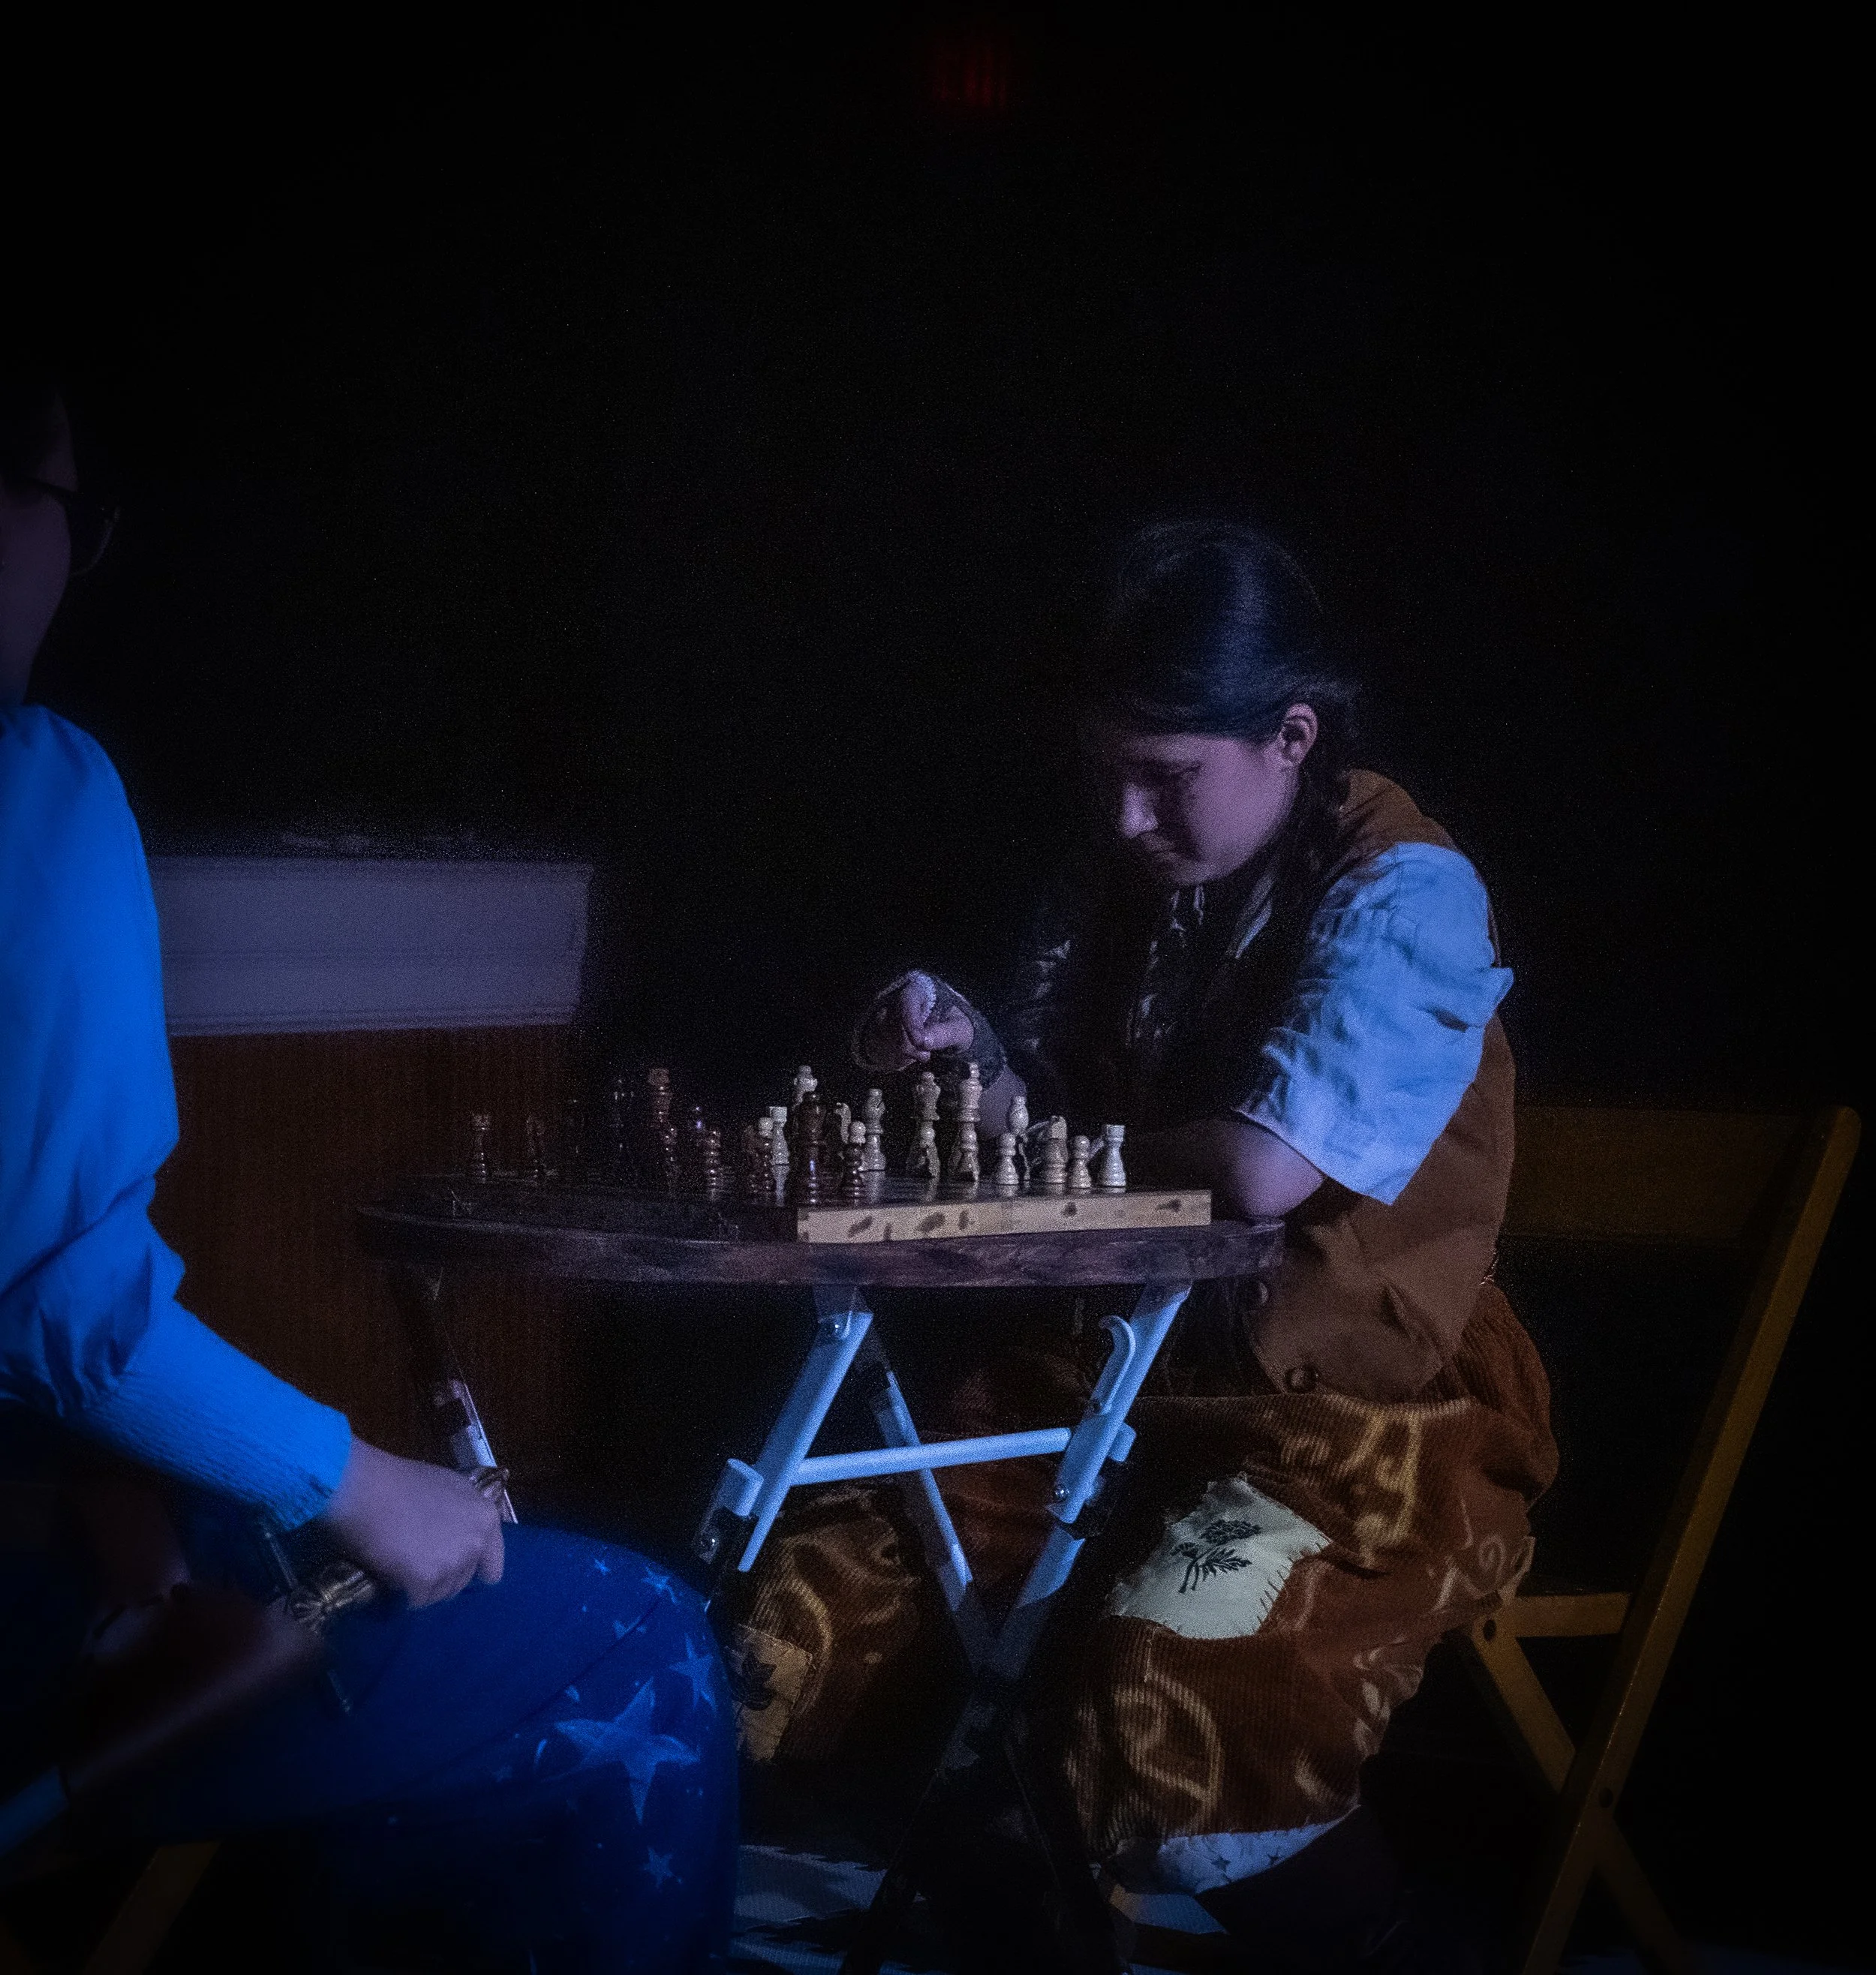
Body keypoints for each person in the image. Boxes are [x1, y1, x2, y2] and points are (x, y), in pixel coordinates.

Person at [729, 521, 1557, 1971]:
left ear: (1290, 736)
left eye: (1164, 778)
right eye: (1107, 773)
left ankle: (1380, 1948)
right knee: (797, 1617)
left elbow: (1255, 1167)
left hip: (1355, 1417)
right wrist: (962, 1057)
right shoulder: (1145, 882)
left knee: (1169, 1690)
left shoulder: (1404, 887)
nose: (1121, 817)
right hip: (1117, 1389)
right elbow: (1057, 1128)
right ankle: (1016, 1907)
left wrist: (1065, 1144)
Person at [2, 367, 735, 1971]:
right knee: (637, 1638)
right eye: (54, 499)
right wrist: (360, 1478)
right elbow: (63, 1313)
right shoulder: (33, 781)